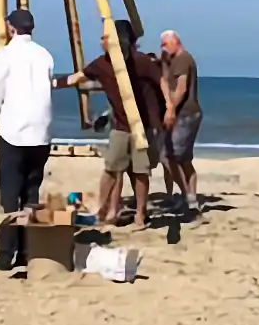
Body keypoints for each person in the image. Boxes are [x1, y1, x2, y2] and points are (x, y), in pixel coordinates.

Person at [0, 9, 67, 271]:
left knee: (9, 195)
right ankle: (27, 250)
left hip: (14, 132)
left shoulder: (5, 55)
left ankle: (6, 252)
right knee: (30, 193)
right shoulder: (44, 55)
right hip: (41, 132)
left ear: (10, 27)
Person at [69, 23, 164, 230]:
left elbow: (162, 82)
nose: (101, 41)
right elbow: (78, 77)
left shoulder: (142, 62)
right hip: (120, 126)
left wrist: (171, 108)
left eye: (105, 37)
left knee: (140, 172)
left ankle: (140, 214)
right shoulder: (102, 63)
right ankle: (104, 211)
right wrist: (50, 84)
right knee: (112, 168)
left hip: (143, 127)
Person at [158, 29, 203, 219]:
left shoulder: (183, 59)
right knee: (182, 159)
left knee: (170, 157)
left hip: (186, 114)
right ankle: (189, 197)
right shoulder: (173, 61)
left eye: (165, 44)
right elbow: (166, 82)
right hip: (184, 114)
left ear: (175, 42)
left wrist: (171, 110)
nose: (163, 48)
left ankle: (188, 197)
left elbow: (182, 88)